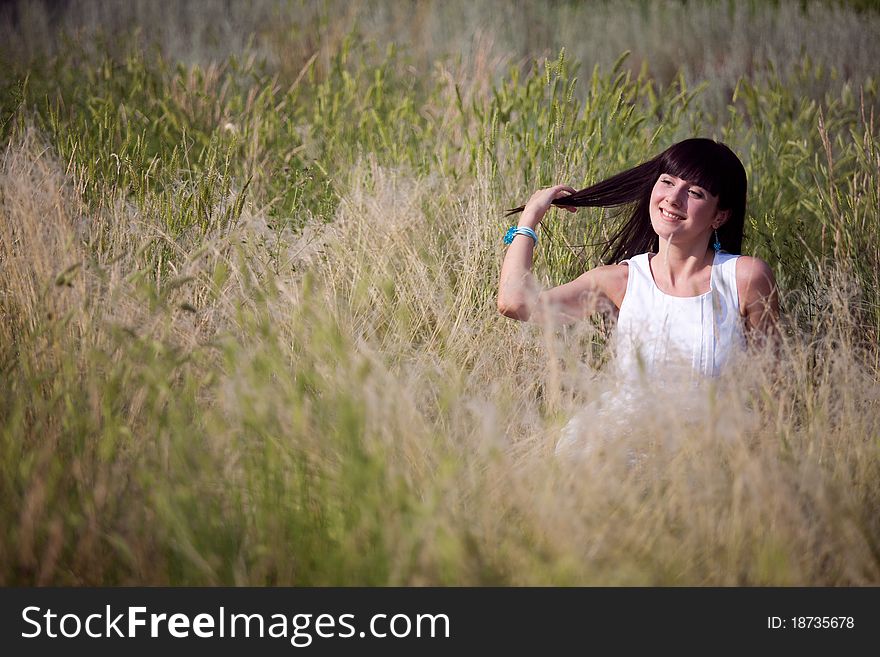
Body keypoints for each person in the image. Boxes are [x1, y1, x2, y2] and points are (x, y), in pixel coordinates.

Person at [496, 138, 779, 456]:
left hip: (705, 463)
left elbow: (772, 388)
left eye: (695, 192)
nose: (673, 198)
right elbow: (514, 302)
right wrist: (530, 217)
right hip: (610, 454)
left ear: (720, 216)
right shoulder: (620, 281)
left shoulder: (745, 279)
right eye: (668, 182)